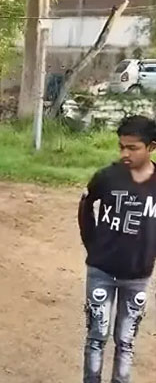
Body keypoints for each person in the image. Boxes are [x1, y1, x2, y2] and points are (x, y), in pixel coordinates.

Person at [78, 115, 156, 383]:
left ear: (151, 147)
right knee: (96, 337)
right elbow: (86, 207)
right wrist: (92, 244)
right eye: (121, 147)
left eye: (133, 148)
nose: (125, 154)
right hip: (101, 271)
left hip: (138, 276)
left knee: (126, 340)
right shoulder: (107, 177)